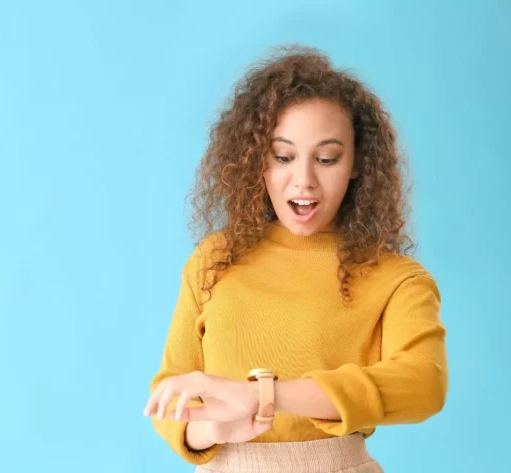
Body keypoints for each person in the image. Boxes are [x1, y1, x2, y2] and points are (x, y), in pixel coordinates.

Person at [142, 44, 448, 473]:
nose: (304, 180)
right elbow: (170, 395)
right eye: (283, 157)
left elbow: (423, 383)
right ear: (257, 161)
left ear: (357, 163)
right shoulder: (216, 259)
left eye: (326, 159)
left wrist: (265, 395)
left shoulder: (397, 278)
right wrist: (215, 428)